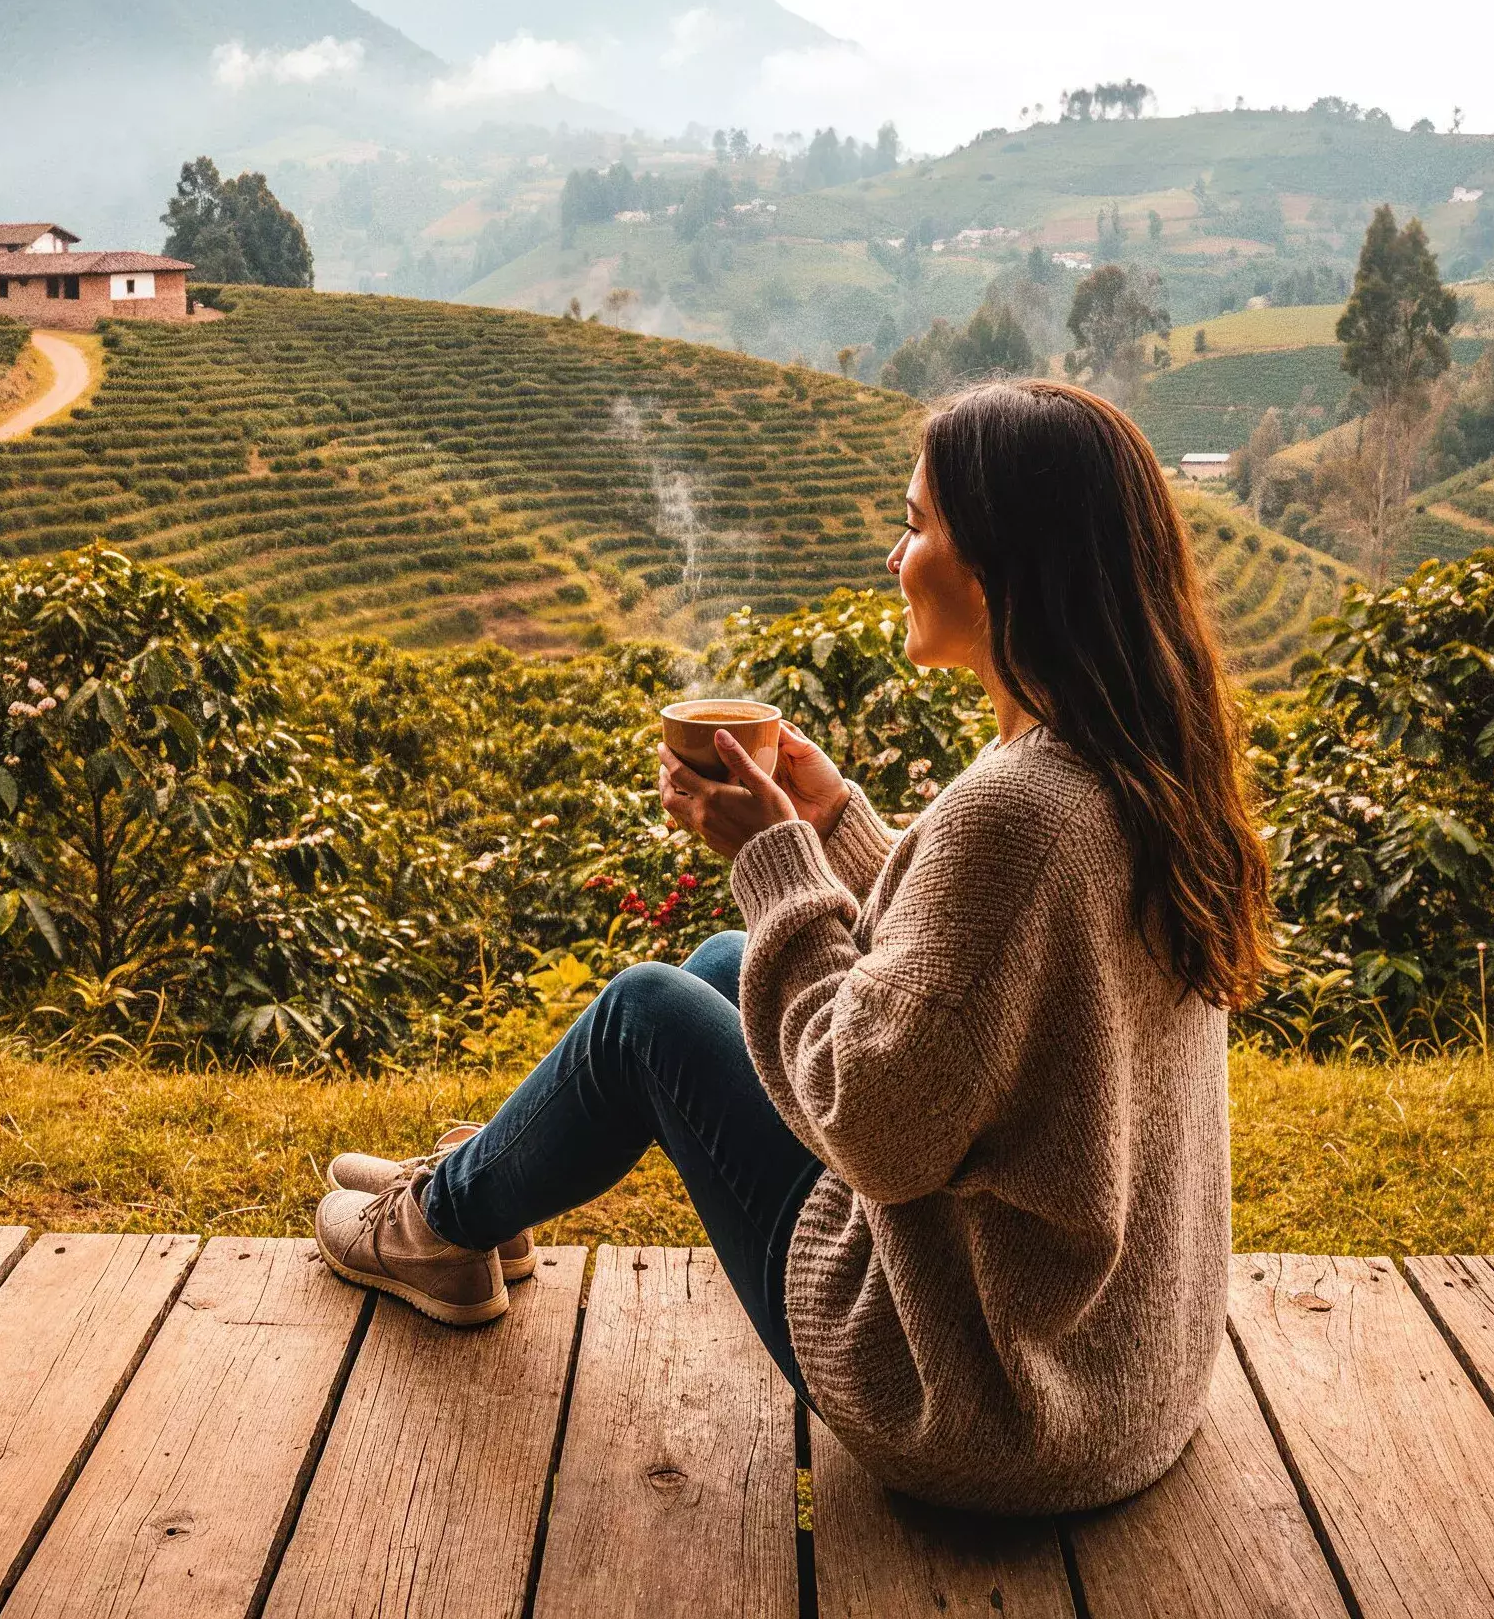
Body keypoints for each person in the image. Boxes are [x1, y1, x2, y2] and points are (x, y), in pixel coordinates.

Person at [313, 379, 1271, 1514]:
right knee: (727, 966)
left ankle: (435, 1230)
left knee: (643, 1013)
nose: (893, 552)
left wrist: (774, 859)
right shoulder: (1144, 756)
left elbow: (877, 1124)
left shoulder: (1019, 813)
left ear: (1003, 564)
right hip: (1115, 1381)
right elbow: (984, 978)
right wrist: (829, 830)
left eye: (916, 524)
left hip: (978, 1407)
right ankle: (486, 1188)